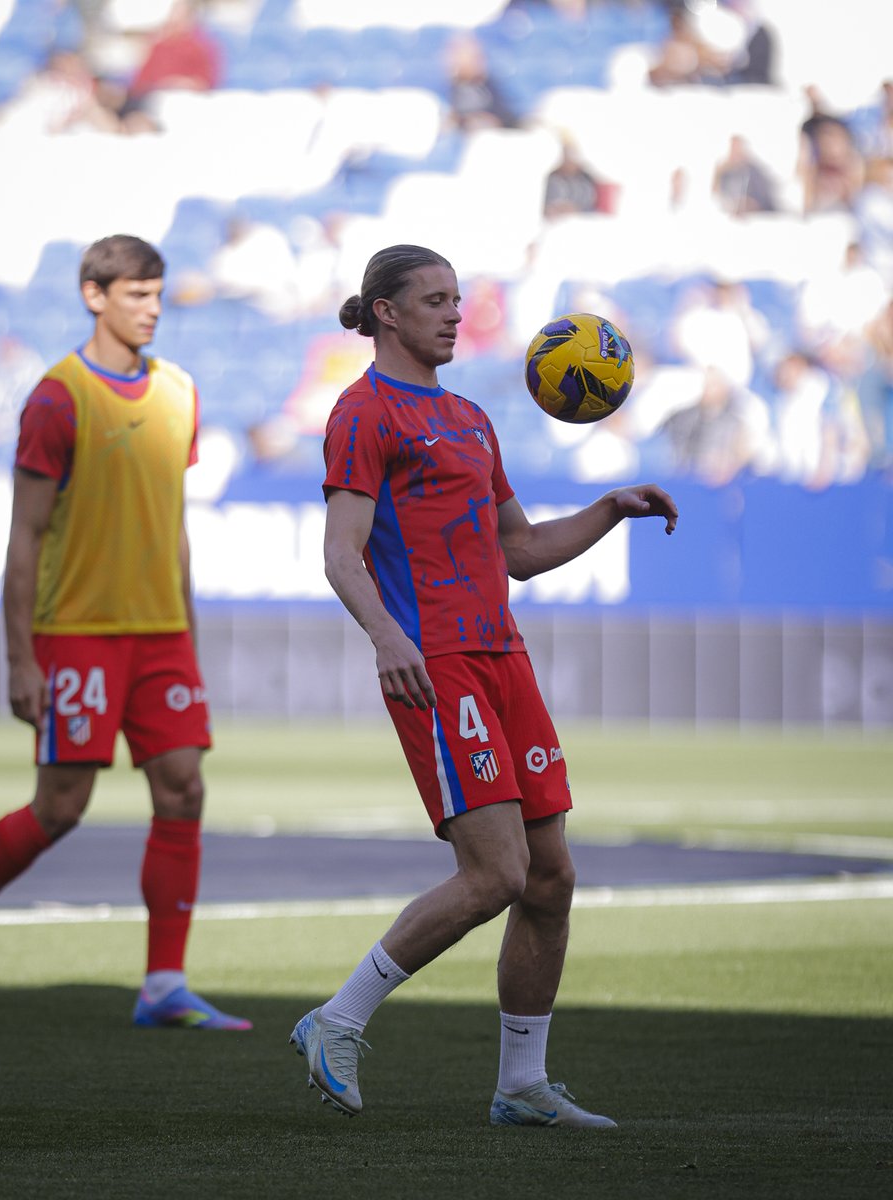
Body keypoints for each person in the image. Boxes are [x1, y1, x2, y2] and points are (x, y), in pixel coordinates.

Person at [289, 245, 678, 1127]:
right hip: (437, 663)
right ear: (386, 313)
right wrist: (387, 636)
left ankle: (521, 1086)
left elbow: (521, 551)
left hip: (503, 657)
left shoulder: (469, 418)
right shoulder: (363, 412)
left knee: (551, 877)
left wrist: (608, 510)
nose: (455, 313)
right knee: (498, 871)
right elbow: (341, 554)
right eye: (434, 300)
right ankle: (336, 1019)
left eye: (457, 299)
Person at [0, 235, 250, 1033]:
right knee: (61, 806)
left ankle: (164, 984)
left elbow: (173, 526)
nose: (151, 309)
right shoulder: (57, 397)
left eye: (158, 294)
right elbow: (24, 536)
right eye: (135, 294)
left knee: (184, 787)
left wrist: (188, 634)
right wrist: (20, 659)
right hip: (77, 632)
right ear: (93, 296)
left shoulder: (179, 391)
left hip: (162, 632)